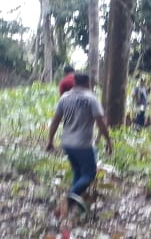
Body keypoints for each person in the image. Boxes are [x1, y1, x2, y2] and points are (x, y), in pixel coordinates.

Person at [45, 73, 113, 215]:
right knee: (89, 174)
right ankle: (68, 199)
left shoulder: (64, 98)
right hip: (83, 144)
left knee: (78, 172)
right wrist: (108, 140)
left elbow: (56, 121)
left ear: (74, 83)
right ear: (88, 84)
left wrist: (50, 140)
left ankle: (70, 207)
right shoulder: (91, 99)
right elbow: (100, 122)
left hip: (67, 143)